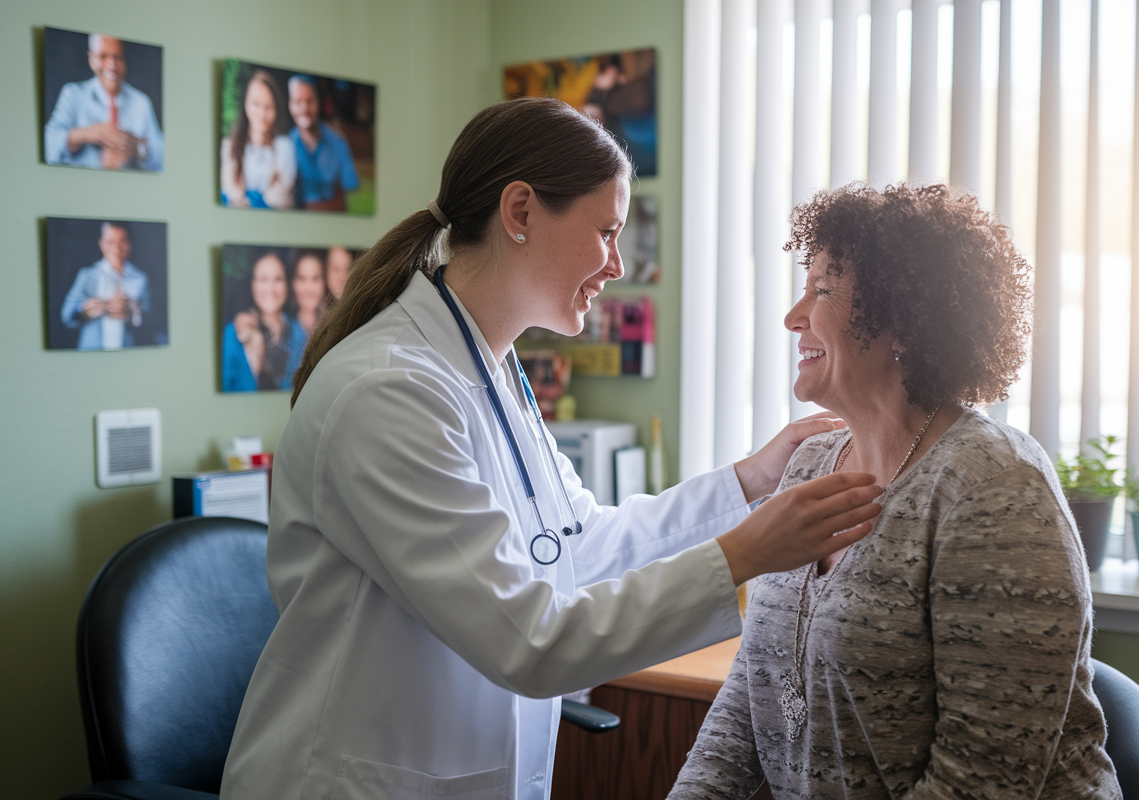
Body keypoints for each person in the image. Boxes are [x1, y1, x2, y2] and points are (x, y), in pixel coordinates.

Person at [219, 97, 885, 800]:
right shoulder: (387, 393)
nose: (618, 264)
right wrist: (747, 553)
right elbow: (531, 641)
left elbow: (574, 549)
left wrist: (748, 480)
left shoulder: (492, 373)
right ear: (521, 212)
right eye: (606, 232)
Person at [670, 184, 1122, 799]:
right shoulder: (809, 466)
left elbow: (982, 780)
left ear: (903, 321)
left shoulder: (995, 488)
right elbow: (749, 695)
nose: (793, 315)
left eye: (822, 289)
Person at [45, 34, 164, 171]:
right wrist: (89, 133)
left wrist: (138, 148)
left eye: (117, 57)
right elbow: (47, 147)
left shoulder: (141, 102)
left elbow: (164, 159)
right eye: (103, 56)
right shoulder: (73, 94)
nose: (111, 65)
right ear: (91, 59)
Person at [222, 252, 306, 391]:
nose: (270, 288)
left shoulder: (300, 334)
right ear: (252, 284)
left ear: (287, 284)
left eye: (277, 279)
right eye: (263, 279)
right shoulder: (232, 334)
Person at [60, 221, 150, 350]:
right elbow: (67, 315)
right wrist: (85, 310)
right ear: (102, 244)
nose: (116, 248)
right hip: (92, 354)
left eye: (122, 242)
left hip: (128, 353)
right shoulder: (88, 275)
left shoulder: (140, 279)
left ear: (129, 244)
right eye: (111, 242)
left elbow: (153, 320)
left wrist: (134, 313)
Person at [220, 70, 295, 209]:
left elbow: (280, 200)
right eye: (255, 104)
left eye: (268, 107)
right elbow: (230, 194)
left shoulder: (285, 146)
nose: (261, 113)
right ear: (245, 104)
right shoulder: (229, 146)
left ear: (276, 108)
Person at [287, 75, 360, 211]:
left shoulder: (338, 142)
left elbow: (349, 195)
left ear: (318, 102)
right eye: (297, 102)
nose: (304, 109)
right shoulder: (284, 145)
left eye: (309, 101)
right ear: (290, 104)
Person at [289, 249, 328, 335]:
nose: (308, 288)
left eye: (315, 278)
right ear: (293, 282)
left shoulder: (335, 324)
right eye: (302, 278)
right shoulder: (283, 327)